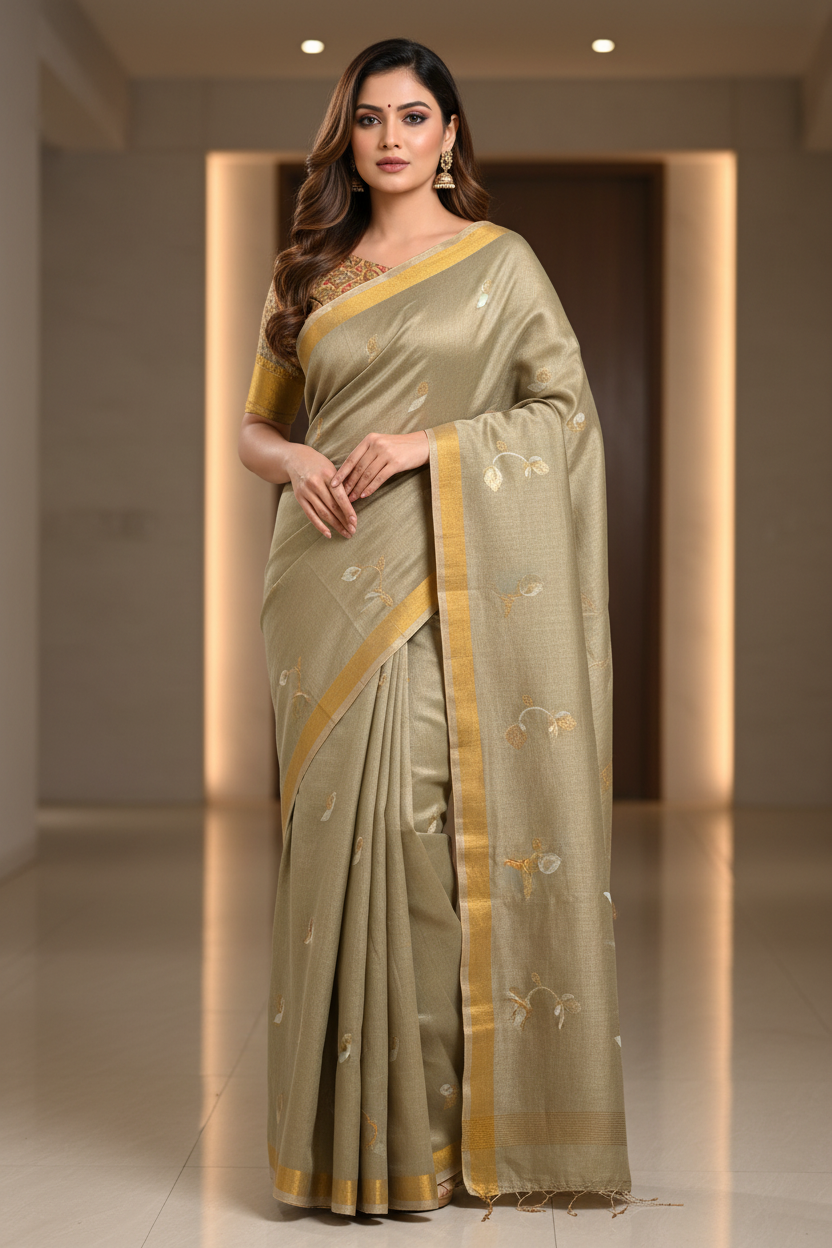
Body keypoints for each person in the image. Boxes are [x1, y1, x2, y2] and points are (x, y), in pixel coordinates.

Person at [239, 36, 646, 1220]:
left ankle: (423, 1136)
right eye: (369, 118)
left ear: (449, 134)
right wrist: (295, 460)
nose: (391, 138)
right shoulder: (309, 270)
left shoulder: (500, 264)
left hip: (444, 573)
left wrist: (432, 444)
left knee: (415, 828)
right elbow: (255, 425)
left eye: (413, 116)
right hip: (322, 579)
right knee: (336, 838)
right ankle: (343, 1147)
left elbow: (562, 414)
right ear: (347, 135)